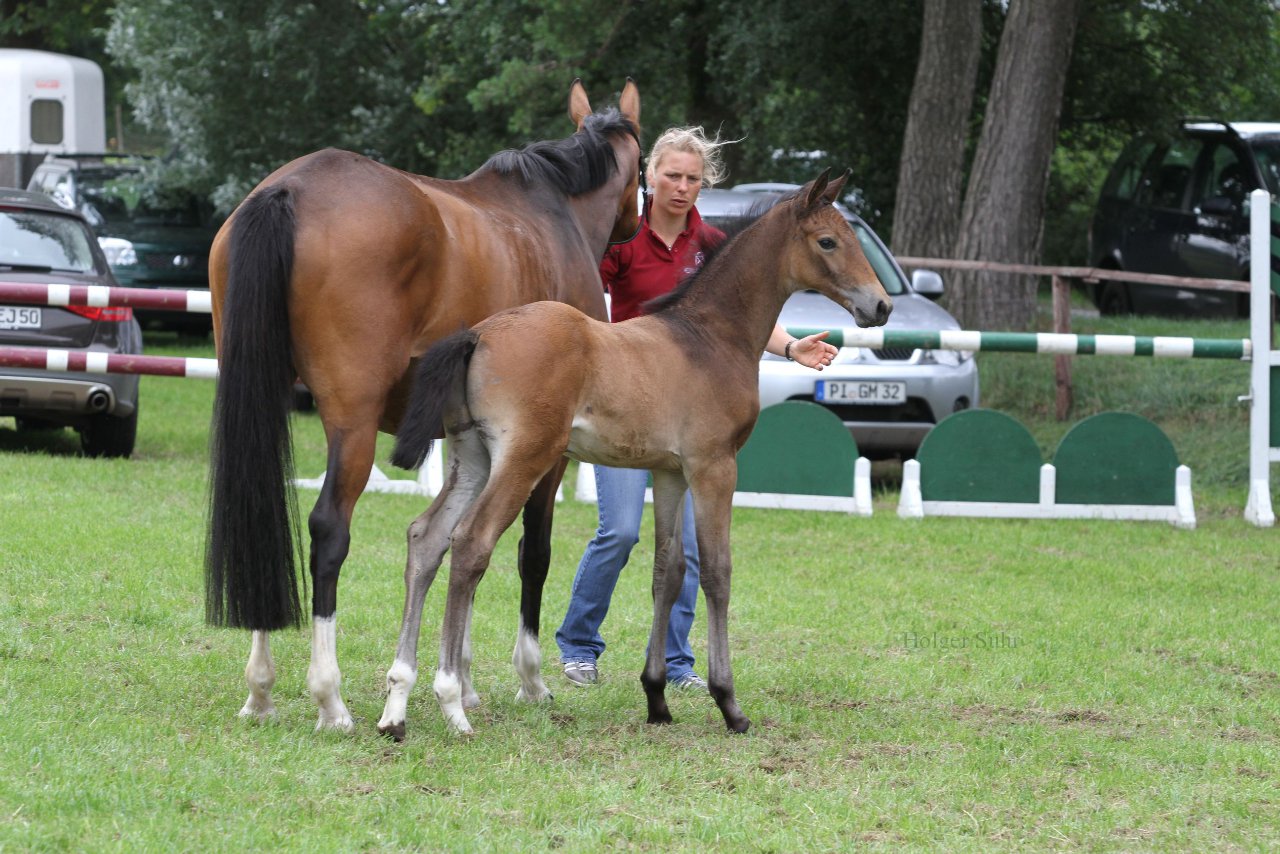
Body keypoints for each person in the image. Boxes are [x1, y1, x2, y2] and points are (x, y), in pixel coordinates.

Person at [555, 126, 838, 690]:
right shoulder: (621, 242)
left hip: (687, 415)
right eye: (672, 176)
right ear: (649, 178)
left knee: (686, 542)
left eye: (692, 178)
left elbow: (744, 314)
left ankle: (678, 661)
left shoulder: (711, 244)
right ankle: (578, 645)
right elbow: (582, 301)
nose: (681, 187)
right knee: (621, 533)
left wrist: (789, 346)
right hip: (623, 402)